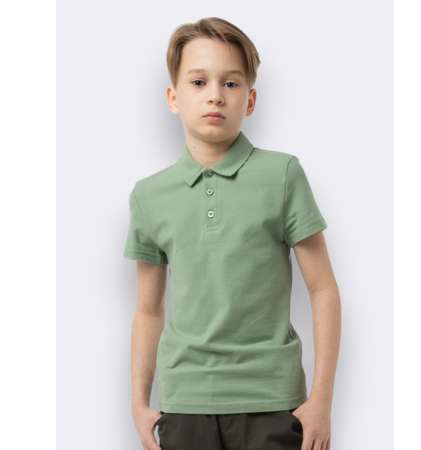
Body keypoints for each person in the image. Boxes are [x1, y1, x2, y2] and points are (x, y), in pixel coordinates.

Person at [124, 16, 341, 450]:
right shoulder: (149, 196)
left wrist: (321, 400)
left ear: (250, 99)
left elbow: (323, 289)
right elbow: (148, 309)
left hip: (273, 400)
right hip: (184, 404)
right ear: (173, 97)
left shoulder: (282, 175)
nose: (215, 95)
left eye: (231, 83)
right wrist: (138, 403)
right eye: (198, 82)